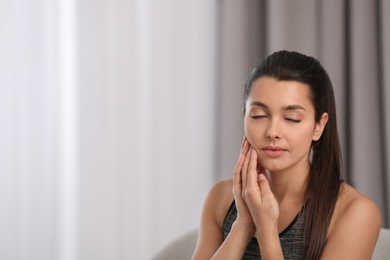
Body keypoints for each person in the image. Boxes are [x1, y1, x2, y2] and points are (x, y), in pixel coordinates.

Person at [192, 50, 381, 259]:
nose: (273, 132)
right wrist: (244, 223)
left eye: (291, 118)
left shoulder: (355, 212)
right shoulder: (220, 198)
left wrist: (266, 230)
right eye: (259, 115)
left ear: (319, 125)